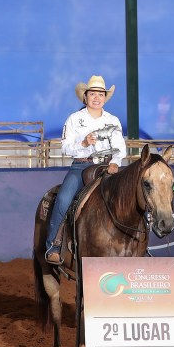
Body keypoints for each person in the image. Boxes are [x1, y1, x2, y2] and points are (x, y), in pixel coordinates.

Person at [44, 75, 127, 265]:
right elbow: (65, 148)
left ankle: (139, 246)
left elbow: (119, 147)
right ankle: (54, 245)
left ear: (105, 98)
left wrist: (115, 162)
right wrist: (83, 143)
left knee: (130, 195)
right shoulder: (74, 119)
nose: (97, 98)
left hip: (107, 167)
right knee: (64, 198)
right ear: (85, 97)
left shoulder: (113, 120)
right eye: (93, 94)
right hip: (81, 166)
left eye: (100, 94)